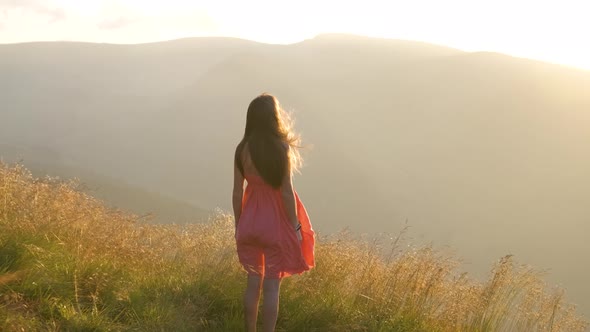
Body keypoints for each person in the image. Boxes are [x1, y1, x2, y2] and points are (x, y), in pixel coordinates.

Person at [233, 93, 315, 332]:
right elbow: (287, 193)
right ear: (274, 119)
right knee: (271, 288)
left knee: (252, 285)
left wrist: (240, 224)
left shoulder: (241, 150)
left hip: (249, 224)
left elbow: (237, 192)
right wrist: (295, 227)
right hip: (275, 226)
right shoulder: (281, 148)